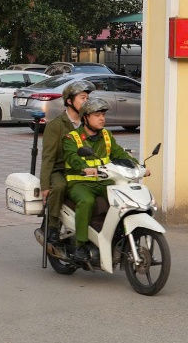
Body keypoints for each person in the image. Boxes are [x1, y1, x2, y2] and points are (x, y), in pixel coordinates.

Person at [61, 97, 134, 264]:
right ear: (85, 118)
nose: (102, 118)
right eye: (97, 115)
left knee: (124, 199)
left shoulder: (107, 136)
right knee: (87, 201)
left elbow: (119, 154)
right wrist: (84, 168)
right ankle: (80, 245)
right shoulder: (72, 138)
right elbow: (73, 158)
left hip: (103, 182)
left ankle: (122, 236)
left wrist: (138, 166)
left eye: (103, 115)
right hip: (80, 182)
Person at [38, 80, 95, 240]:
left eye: (88, 98)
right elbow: (48, 157)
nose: (87, 101)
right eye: (82, 98)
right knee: (60, 186)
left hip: (83, 169)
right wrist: (45, 185)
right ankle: (52, 225)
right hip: (60, 169)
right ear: (69, 101)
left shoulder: (88, 124)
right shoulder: (56, 125)